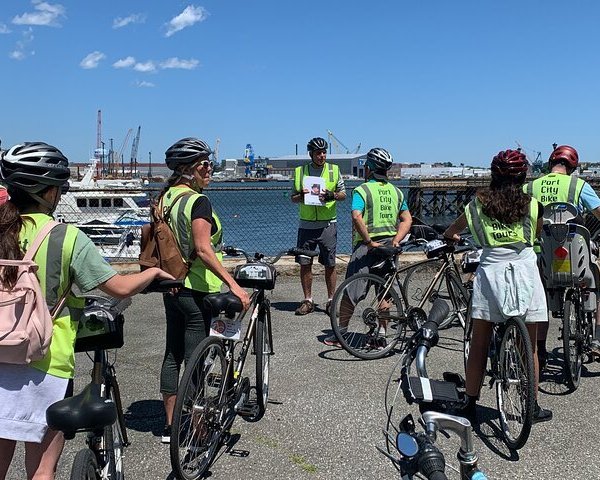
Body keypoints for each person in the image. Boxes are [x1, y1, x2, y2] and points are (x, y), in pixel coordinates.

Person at [0, 142, 174, 480]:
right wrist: (152, 272)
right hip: (45, 363)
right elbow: (118, 287)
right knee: (41, 470)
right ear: (49, 191)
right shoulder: (65, 237)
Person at [444, 149, 552, 424]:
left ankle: (469, 402)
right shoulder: (533, 205)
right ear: (523, 175)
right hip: (525, 270)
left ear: (493, 175)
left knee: (479, 342)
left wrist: (454, 237)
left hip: (491, 271)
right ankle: (533, 405)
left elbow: (451, 231)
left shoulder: (476, 206)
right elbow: (535, 234)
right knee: (531, 346)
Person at [158, 137, 250, 444]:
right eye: (205, 165)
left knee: (173, 353)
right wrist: (235, 284)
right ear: (190, 170)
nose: (210, 170)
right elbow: (203, 248)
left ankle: (172, 424)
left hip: (170, 284)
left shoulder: (164, 198)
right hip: (197, 288)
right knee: (197, 359)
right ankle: (195, 429)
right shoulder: (198, 202)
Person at [324, 147, 412, 348]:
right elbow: (407, 219)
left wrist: (368, 241)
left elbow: (356, 215)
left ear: (369, 168)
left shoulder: (362, 190)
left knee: (350, 291)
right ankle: (381, 335)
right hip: (389, 247)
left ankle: (341, 333)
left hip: (367, 248)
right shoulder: (396, 191)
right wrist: (396, 240)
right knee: (385, 292)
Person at [525, 144, 600, 363]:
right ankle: (597, 338)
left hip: (541, 253)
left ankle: (540, 349)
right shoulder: (578, 185)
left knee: (541, 300)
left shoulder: (530, 187)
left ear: (550, 163)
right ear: (573, 166)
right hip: (576, 255)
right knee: (596, 277)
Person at [291, 137, 346, 316]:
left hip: (328, 223)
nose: (322, 156)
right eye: (318, 153)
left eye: (324, 152)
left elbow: (343, 194)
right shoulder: (300, 171)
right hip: (306, 224)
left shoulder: (334, 170)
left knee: (330, 264)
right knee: (305, 264)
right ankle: (308, 300)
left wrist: (332, 195)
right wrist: (301, 195)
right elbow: (292, 198)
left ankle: (331, 301)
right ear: (311, 154)